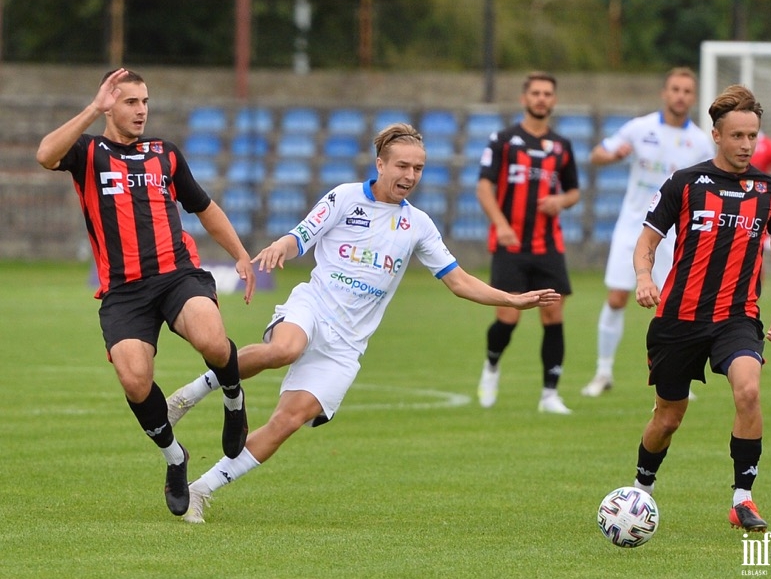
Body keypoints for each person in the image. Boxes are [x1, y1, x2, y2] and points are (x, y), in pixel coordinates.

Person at [164, 123, 562, 523]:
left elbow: (458, 281)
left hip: (347, 345)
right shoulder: (345, 197)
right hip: (314, 306)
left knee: (287, 421)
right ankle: (189, 395)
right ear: (380, 164)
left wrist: (510, 298)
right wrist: (280, 247)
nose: (410, 176)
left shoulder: (419, 225)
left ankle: (201, 489)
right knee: (284, 349)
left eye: (418, 169)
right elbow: (300, 235)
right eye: (402, 166)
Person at [35, 68, 256, 516]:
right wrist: (90, 111)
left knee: (213, 340)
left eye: (145, 101)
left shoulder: (165, 155)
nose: (141, 110)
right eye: (131, 102)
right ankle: (176, 458)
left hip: (177, 274)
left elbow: (204, 207)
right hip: (123, 289)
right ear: (109, 105)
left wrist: (240, 254)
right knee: (135, 380)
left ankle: (234, 401)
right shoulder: (88, 152)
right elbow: (44, 155)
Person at [629, 84, 771, 533]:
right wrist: (645, 278)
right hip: (678, 320)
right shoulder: (684, 183)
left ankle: (743, 499)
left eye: (753, 136)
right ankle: (640, 491)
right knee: (668, 417)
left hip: (737, 318)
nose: (746, 145)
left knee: (748, 391)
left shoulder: (769, 189)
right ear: (717, 135)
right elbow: (647, 241)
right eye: (737, 136)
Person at [581, 67, 715, 399]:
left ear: (693, 98)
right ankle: (603, 371)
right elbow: (596, 154)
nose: (680, 95)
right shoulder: (640, 128)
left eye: (687, 91)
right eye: (675, 89)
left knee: (673, 304)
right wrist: (613, 155)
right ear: (664, 93)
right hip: (633, 227)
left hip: (673, 234)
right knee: (616, 298)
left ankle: (678, 374)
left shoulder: (700, 142)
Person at [475, 71, 581, 415]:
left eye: (547, 93)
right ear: (524, 98)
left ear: (554, 100)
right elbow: (484, 187)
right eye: (535, 93)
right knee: (507, 317)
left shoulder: (562, 146)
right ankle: (491, 366)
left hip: (548, 246)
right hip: (512, 245)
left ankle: (550, 394)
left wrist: (560, 202)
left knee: (553, 316)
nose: (541, 99)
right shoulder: (503, 141)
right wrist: (501, 224)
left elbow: (574, 191)